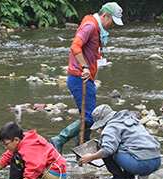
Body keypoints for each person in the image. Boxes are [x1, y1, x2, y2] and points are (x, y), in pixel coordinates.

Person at [49, 2, 124, 154]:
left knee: (88, 117)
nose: (113, 25)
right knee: (90, 118)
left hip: (84, 78)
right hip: (79, 77)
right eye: (112, 21)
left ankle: (81, 155)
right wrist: (84, 67)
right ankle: (58, 140)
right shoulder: (90, 26)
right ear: (105, 16)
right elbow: (75, 46)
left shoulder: (97, 28)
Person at [79, 104, 161, 179]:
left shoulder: (111, 126)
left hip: (141, 165)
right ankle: (129, 177)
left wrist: (91, 157)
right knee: (126, 145)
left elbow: (107, 150)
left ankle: (118, 178)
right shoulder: (130, 119)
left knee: (101, 144)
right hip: (156, 161)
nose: (100, 128)